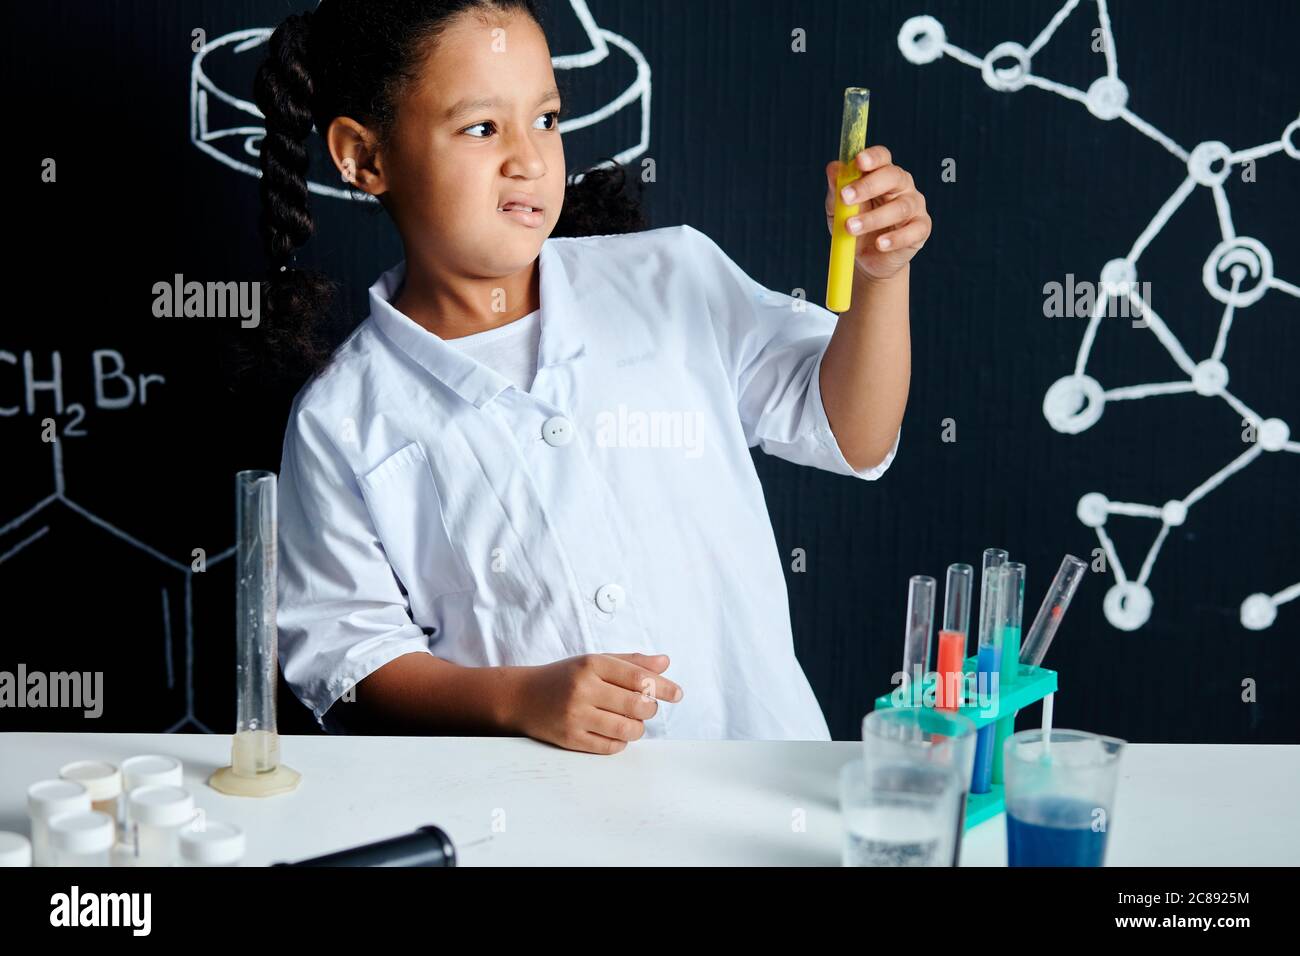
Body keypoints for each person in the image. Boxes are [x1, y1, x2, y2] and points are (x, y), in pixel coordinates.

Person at [261, 0, 930, 751]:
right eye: (482, 128)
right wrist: (519, 699)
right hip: (534, 824)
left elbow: (854, 433)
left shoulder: (671, 276)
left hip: (761, 782)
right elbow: (353, 658)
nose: (530, 157)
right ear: (365, 156)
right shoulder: (342, 418)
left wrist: (881, 278)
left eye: (545, 119)